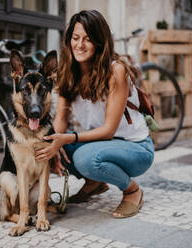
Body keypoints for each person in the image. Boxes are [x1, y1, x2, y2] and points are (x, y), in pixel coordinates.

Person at [35, 10, 154, 218]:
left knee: (84, 158)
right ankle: (95, 183)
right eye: (75, 38)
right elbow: (60, 120)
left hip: (136, 149)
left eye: (88, 39)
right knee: (52, 148)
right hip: (101, 144)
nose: (79, 45)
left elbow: (108, 131)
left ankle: (132, 190)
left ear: (99, 42)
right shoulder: (68, 72)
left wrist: (65, 139)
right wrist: (52, 143)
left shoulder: (116, 71)